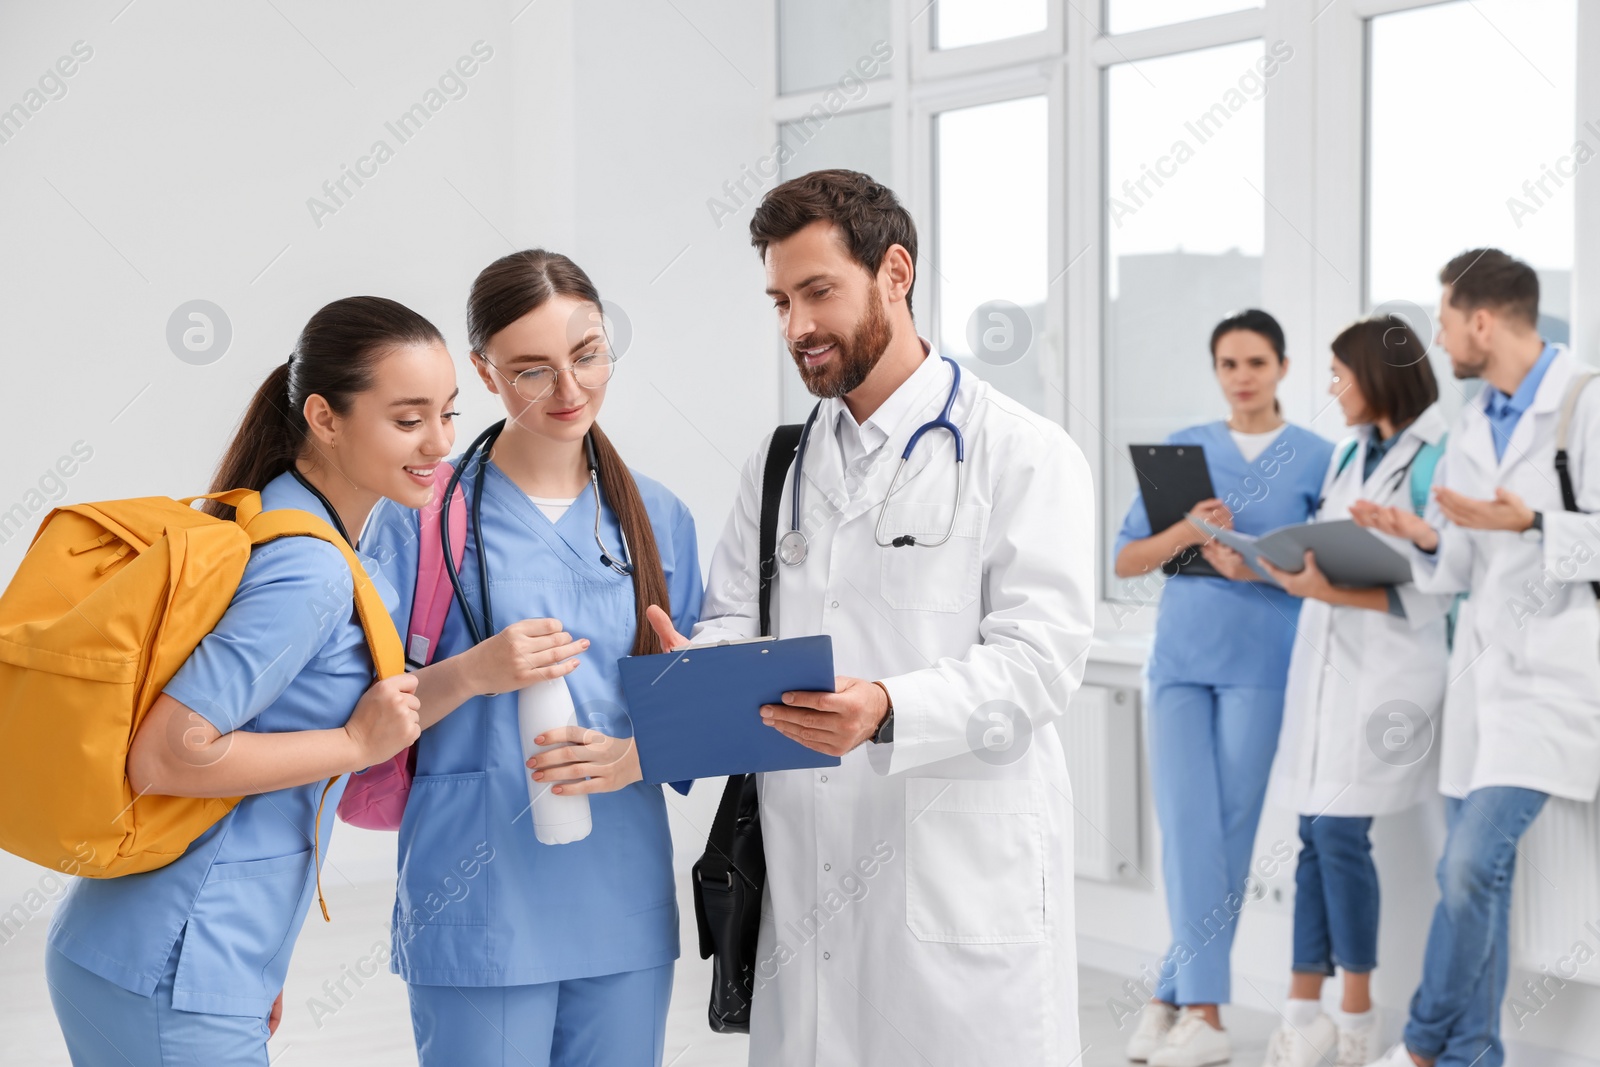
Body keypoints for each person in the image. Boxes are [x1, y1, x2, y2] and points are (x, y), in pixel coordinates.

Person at [644, 168, 1095, 1065]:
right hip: (805, 872)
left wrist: (886, 705)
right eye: (779, 300)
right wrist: (698, 665)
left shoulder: (1020, 453)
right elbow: (738, 616)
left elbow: (1042, 660)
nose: (796, 327)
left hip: (957, 878)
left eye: (819, 292)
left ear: (896, 272)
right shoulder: (780, 466)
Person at [45, 296, 450, 1065]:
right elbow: (165, 754)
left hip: (160, 953)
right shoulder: (312, 567)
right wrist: (355, 741)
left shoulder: (288, 518)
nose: (438, 443)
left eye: (447, 413)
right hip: (172, 968)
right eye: (408, 419)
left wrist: (254, 962)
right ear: (325, 418)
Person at [363, 249, 703, 1067]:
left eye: (587, 354)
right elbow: (360, 709)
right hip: (476, 893)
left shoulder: (656, 517)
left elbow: (688, 706)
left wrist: (640, 750)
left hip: (619, 892)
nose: (570, 389)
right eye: (531, 371)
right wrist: (474, 671)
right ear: (482, 372)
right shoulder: (421, 515)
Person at [1353, 249, 1600, 1067]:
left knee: (1467, 868)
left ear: (1482, 321)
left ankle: (1423, 1044)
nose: (1439, 334)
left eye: (1444, 318)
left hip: (1557, 684)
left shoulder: (1587, 404)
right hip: (1482, 683)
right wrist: (1424, 534)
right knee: (1476, 883)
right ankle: (1475, 1055)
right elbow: (1458, 567)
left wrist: (1530, 524)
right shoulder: (1472, 422)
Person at [1115, 309, 1335, 1067]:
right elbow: (1126, 562)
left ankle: (1182, 1003)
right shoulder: (1184, 452)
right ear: (1216, 372)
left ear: (1282, 366)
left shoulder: (1318, 459)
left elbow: (1332, 573)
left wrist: (1257, 567)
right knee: (1186, 831)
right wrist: (1185, 531)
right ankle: (1191, 1005)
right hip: (1179, 662)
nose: (1241, 376)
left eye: (1255, 362)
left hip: (1261, 666)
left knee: (1229, 835)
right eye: (1228, 364)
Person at [1255, 316, 1450, 1067]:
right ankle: (1302, 1013)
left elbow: (1436, 590)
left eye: (1341, 374)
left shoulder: (1437, 461)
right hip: (1330, 665)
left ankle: (1356, 1017)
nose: (1332, 388)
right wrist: (1279, 569)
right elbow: (1331, 556)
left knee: (1337, 834)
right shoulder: (1347, 455)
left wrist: (1326, 591)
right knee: (1313, 832)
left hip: (1392, 677)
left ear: (1377, 374)